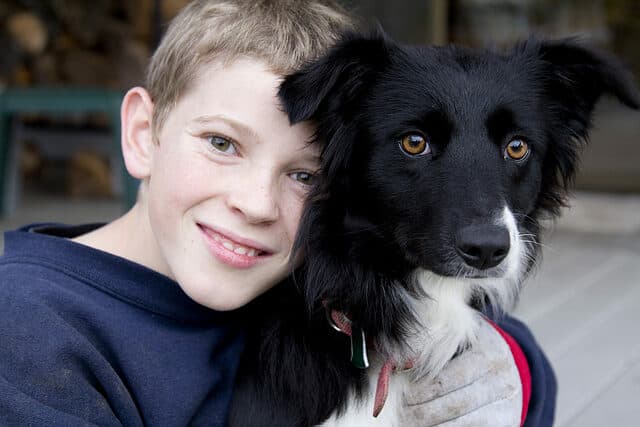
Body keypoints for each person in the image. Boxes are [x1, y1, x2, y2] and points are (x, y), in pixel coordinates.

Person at [0, 1, 555, 426]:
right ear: (144, 134)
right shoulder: (30, 333)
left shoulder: (296, 285)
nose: (256, 204)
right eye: (221, 143)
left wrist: (513, 365)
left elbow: (497, 343)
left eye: (304, 175)